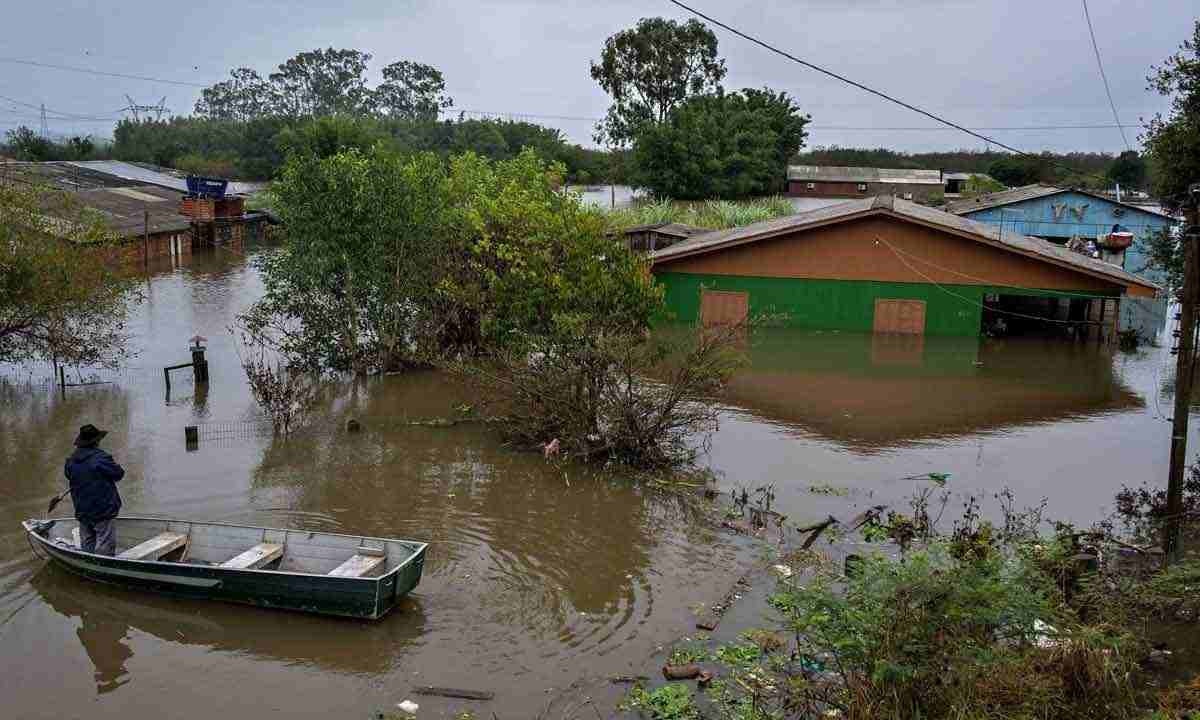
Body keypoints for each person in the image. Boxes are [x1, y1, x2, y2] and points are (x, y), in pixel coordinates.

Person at [65, 424, 125, 556]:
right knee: (105, 545)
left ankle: (89, 566)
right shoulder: (101, 458)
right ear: (96, 442)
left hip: (82, 510)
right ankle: (105, 569)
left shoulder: (71, 461)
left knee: (87, 543)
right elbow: (119, 474)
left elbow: (69, 475)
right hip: (102, 510)